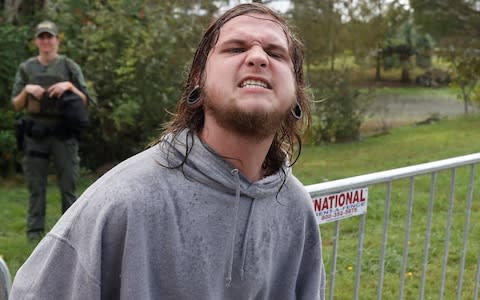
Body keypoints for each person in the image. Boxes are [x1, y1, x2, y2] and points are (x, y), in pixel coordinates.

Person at [10, 3, 325, 299]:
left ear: (296, 90)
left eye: (275, 52)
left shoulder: (296, 208)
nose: (258, 58)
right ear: (197, 81)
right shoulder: (122, 202)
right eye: (236, 48)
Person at [11, 20, 94, 242]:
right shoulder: (26, 68)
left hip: (63, 135)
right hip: (36, 135)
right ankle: (34, 233)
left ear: (57, 40)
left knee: (69, 185)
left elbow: (87, 100)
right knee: (36, 187)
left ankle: (71, 233)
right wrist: (27, 89)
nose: (46, 41)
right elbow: (16, 105)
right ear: (36, 41)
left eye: (50, 37)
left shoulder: (68, 66)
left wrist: (69, 86)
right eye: (42, 37)